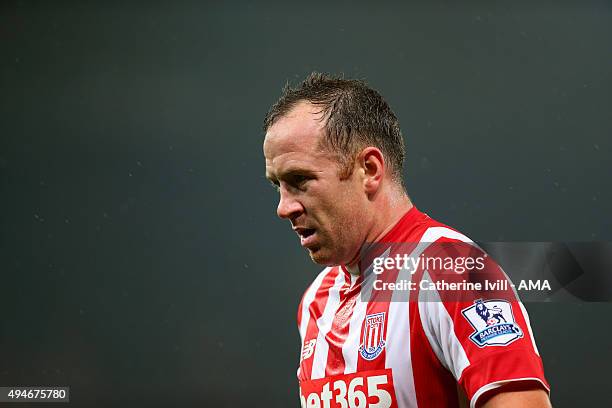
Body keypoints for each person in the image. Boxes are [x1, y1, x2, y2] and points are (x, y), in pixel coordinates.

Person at [263, 73, 550, 408]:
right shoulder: (315, 301)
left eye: (300, 180)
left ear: (369, 170)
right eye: (277, 185)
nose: (284, 207)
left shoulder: (452, 271)